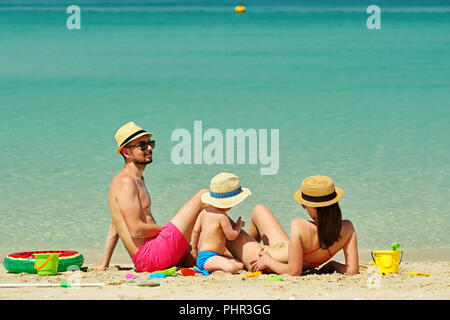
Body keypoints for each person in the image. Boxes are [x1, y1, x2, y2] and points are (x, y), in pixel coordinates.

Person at [92, 121, 208, 272]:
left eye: (150, 143)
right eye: (143, 145)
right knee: (204, 196)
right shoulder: (125, 181)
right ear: (126, 152)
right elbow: (136, 230)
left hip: (157, 254)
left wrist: (104, 264)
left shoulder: (138, 179)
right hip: (151, 257)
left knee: (210, 227)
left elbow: (116, 224)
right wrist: (167, 231)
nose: (150, 148)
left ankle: (246, 253)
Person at [226, 175, 359, 276]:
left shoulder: (301, 226)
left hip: (261, 257)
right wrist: (333, 264)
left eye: (304, 204)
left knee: (218, 218)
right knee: (259, 210)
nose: (303, 207)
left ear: (315, 208)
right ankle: (241, 252)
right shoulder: (347, 228)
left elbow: (294, 271)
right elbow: (352, 270)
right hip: (285, 250)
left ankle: (239, 256)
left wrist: (268, 262)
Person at [191, 172, 250, 274]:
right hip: (208, 258)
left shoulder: (204, 212)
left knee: (239, 264)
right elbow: (231, 236)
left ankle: (214, 269)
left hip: (205, 256)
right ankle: (213, 271)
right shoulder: (222, 217)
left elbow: (195, 231)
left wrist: (194, 249)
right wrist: (238, 226)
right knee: (231, 268)